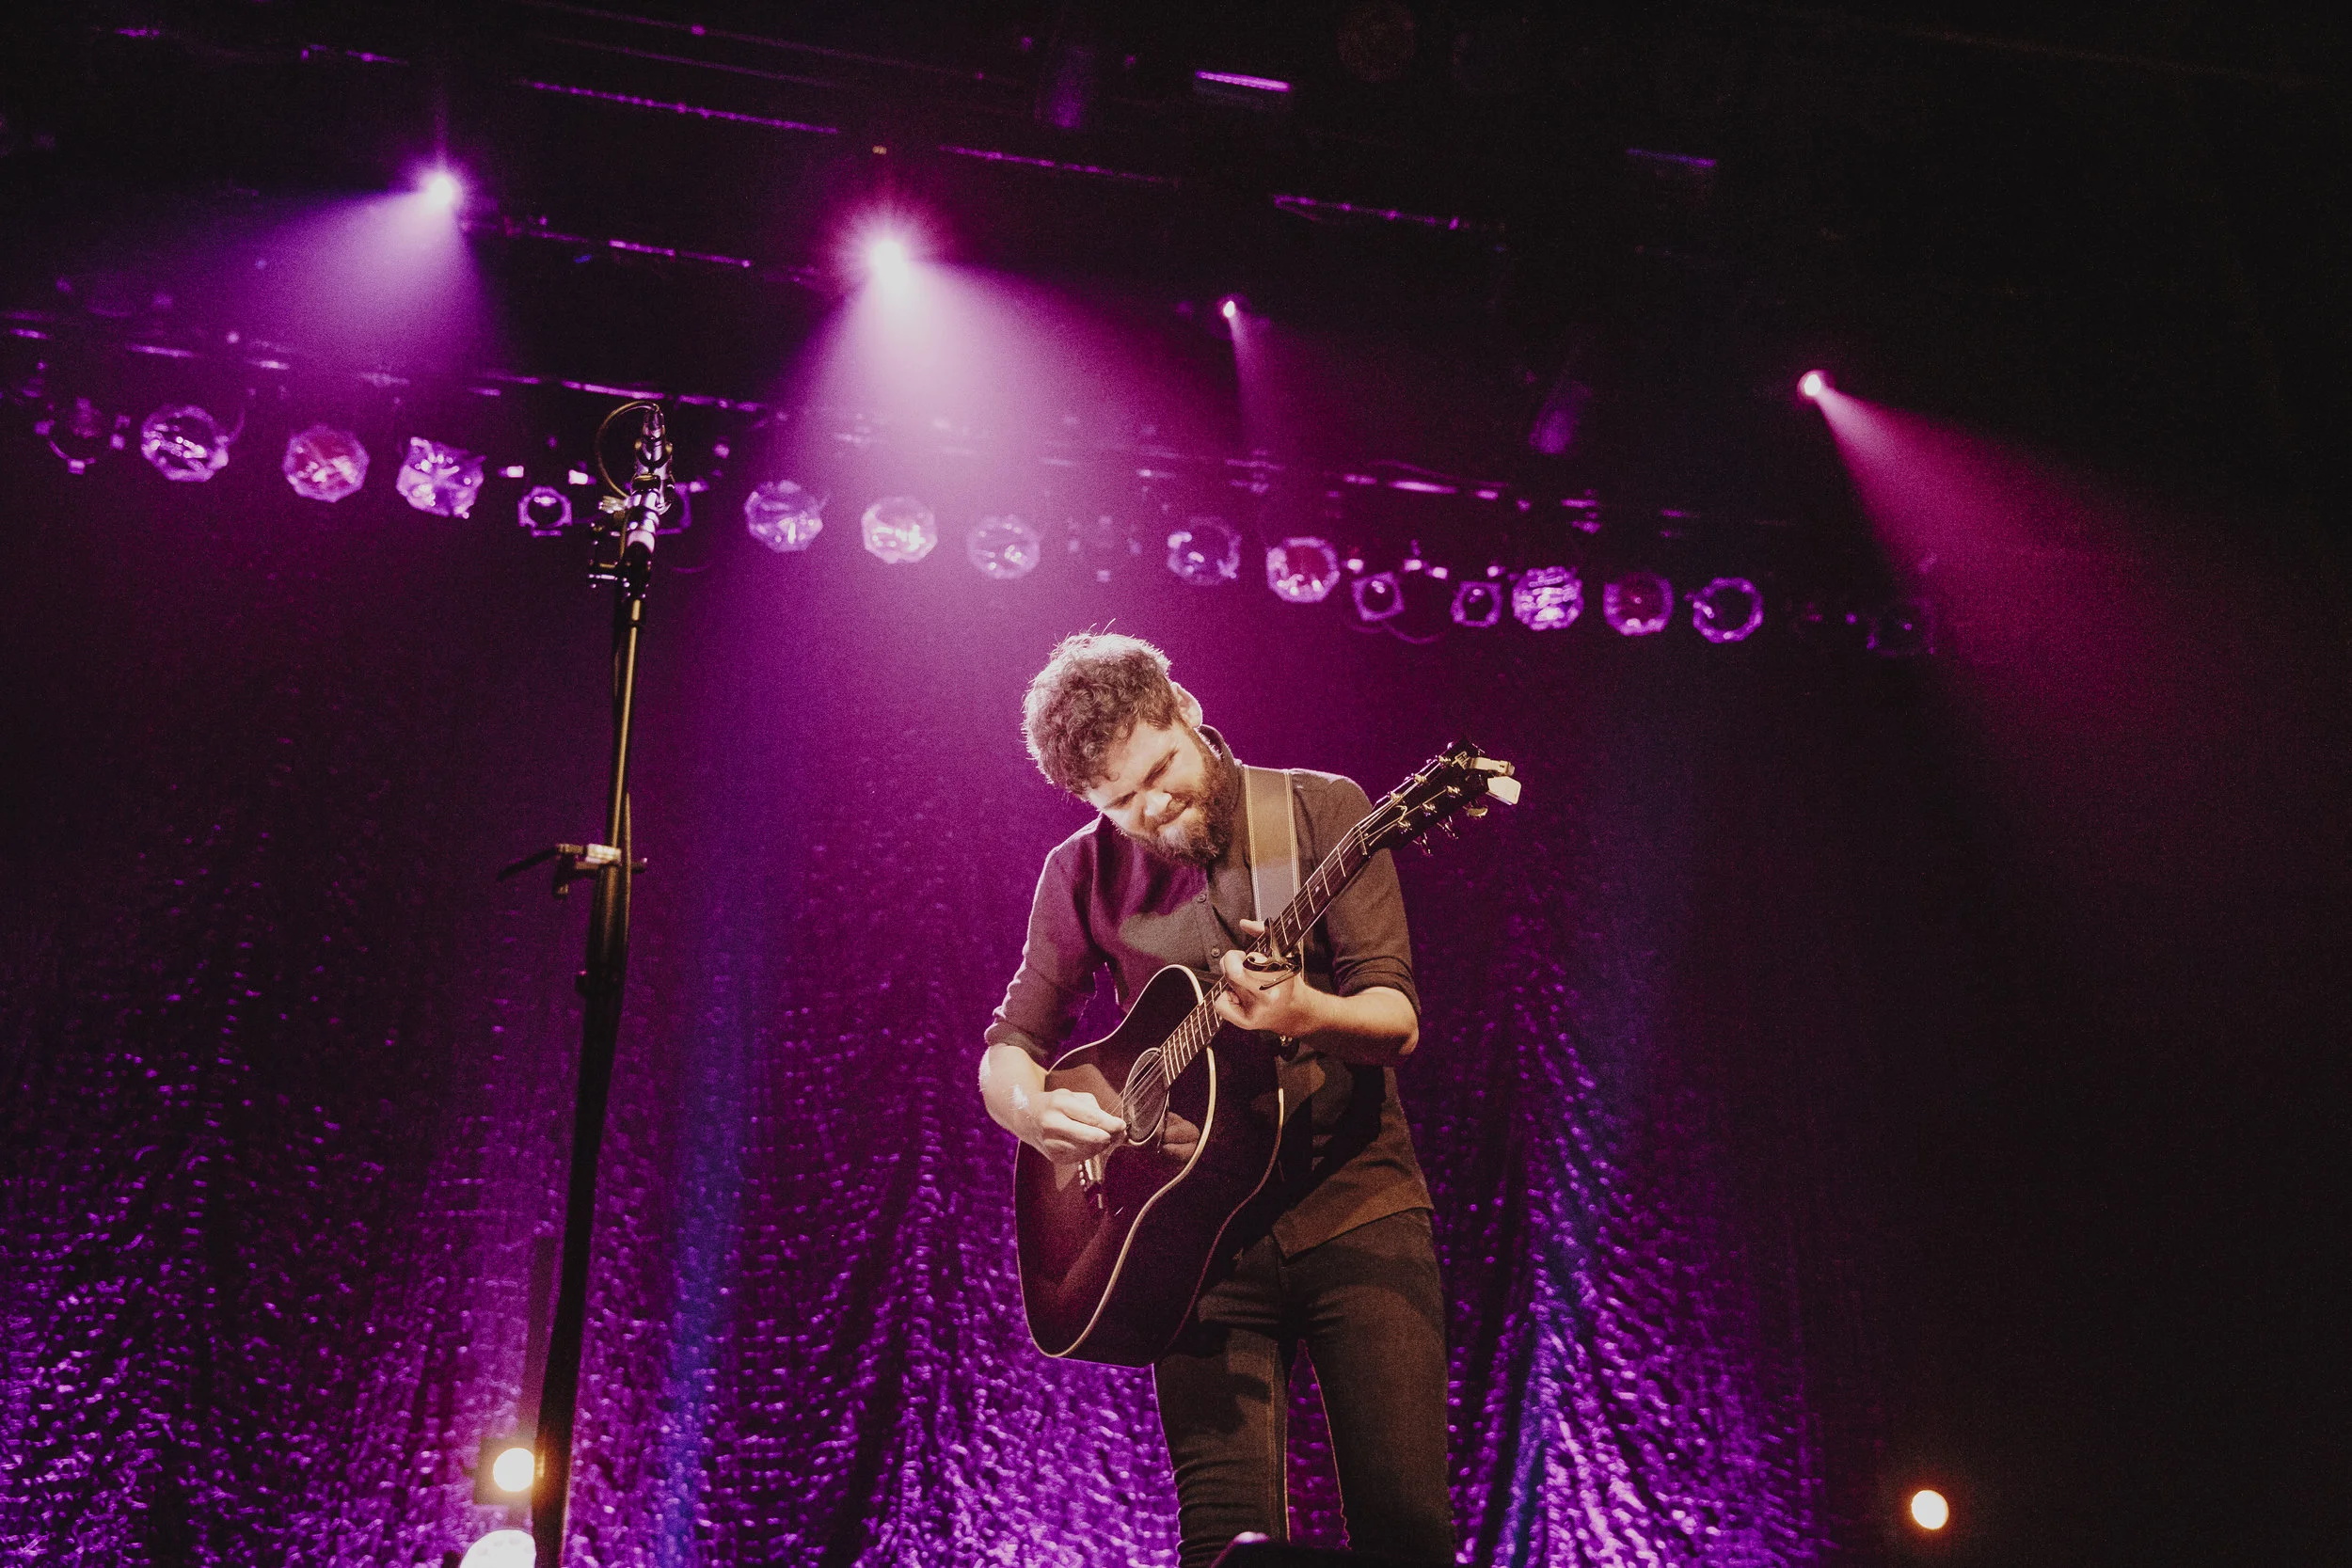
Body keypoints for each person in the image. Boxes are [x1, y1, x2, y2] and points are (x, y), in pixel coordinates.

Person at [977, 632, 1454, 1568]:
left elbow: (1395, 1020)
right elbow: (1010, 1047)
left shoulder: (1319, 808)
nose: (1152, 808)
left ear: (1186, 710)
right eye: (1121, 801)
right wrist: (1033, 1112)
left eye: (1160, 771)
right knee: (1221, 1548)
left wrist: (1305, 1011)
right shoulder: (1079, 872)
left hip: (1356, 1210)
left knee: (1405, 1535)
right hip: (1193, 1244)